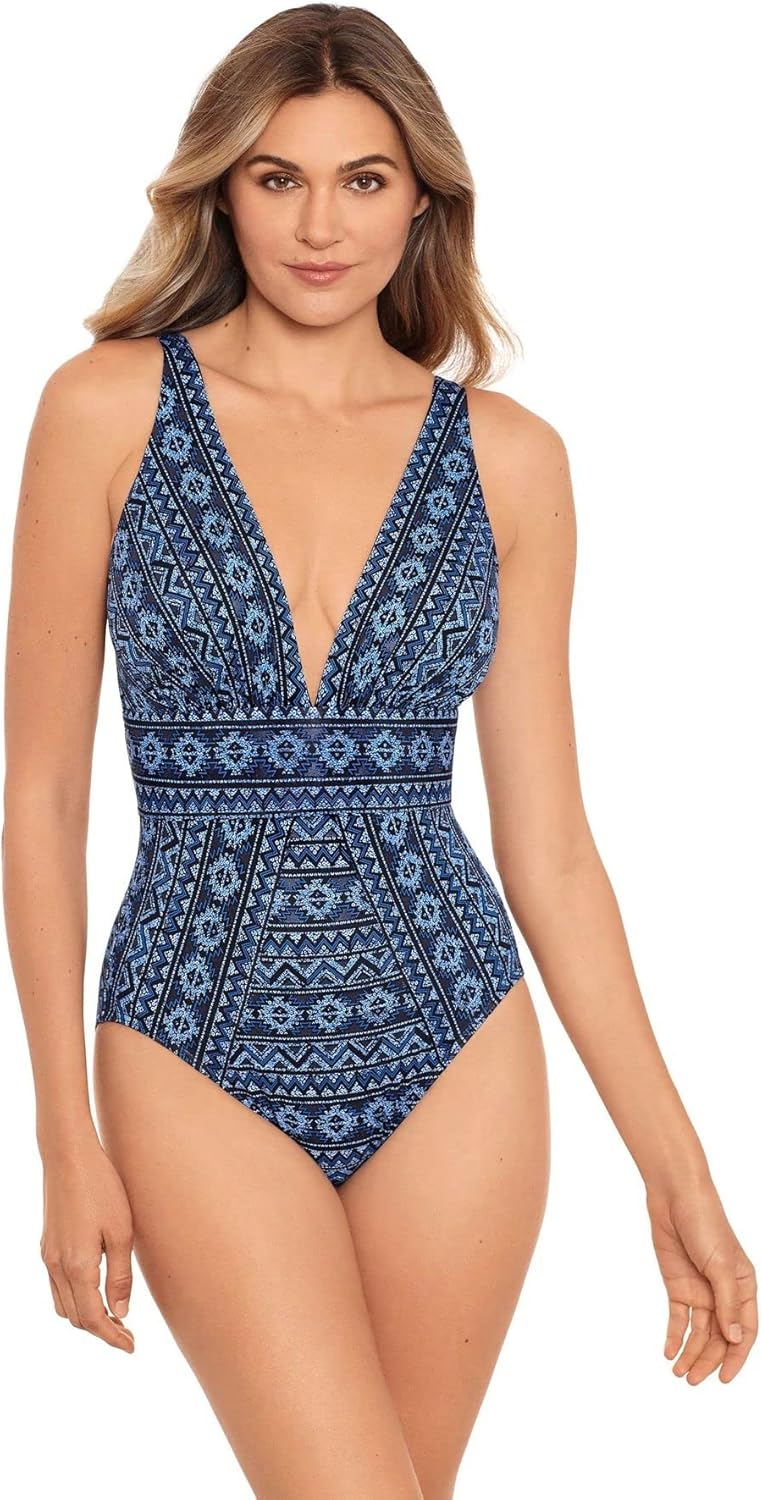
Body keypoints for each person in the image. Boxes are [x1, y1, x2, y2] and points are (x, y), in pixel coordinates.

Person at [3, 5, 756, 1497]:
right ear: (220, 190)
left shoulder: (511, 458)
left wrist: (676, 1168)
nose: (319, 225)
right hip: (186, 1039)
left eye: (363, 179)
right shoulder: (106, 410)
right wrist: (61, 1137)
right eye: (277, 177)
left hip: (457, 1040)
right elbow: (41, 792)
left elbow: (551, 850)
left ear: (421, 200)